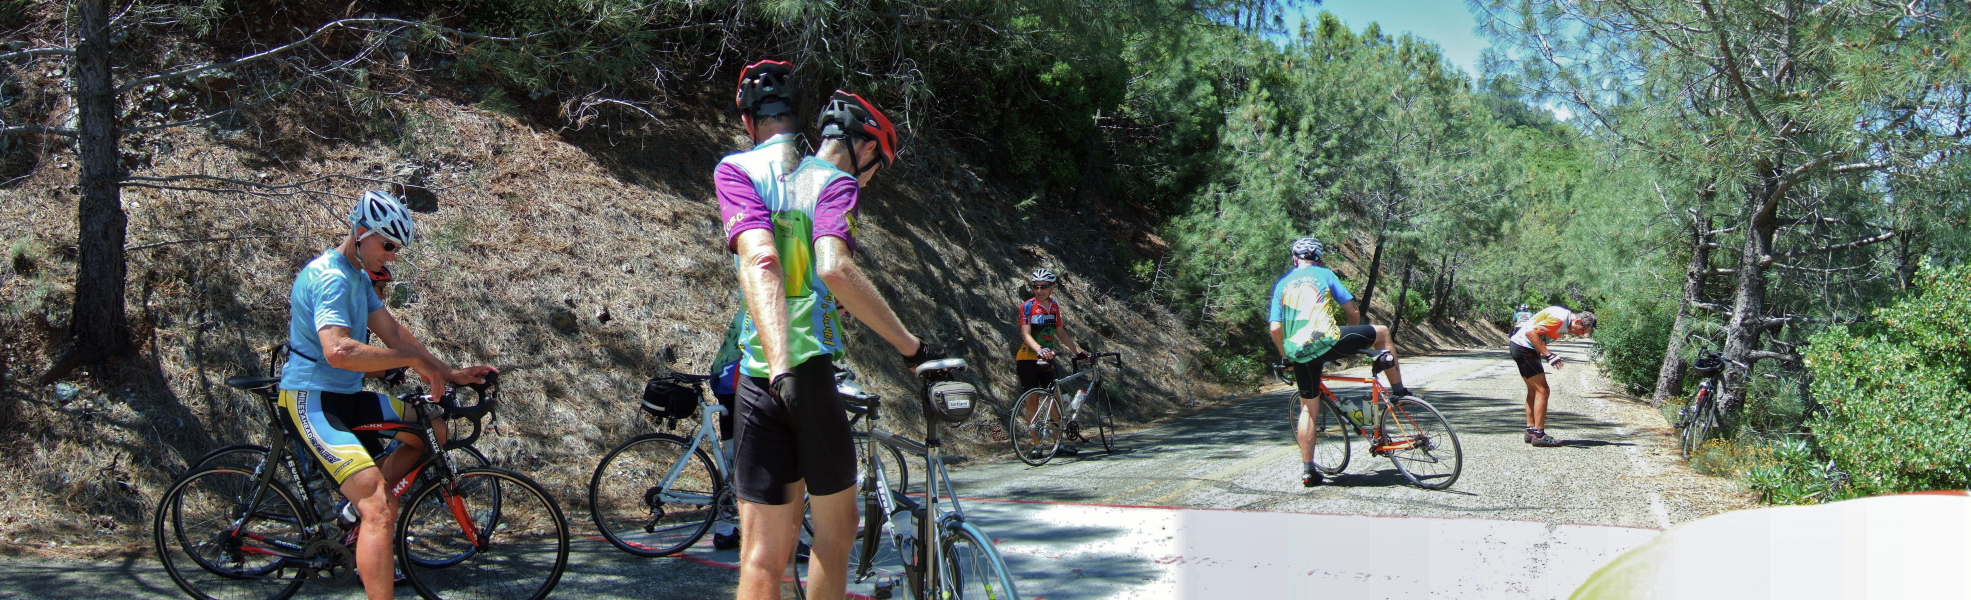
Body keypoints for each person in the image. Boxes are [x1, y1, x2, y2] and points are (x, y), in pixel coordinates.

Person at [720, 89, 942, 600]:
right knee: (837, 533)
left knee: (760, 558)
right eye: (875, 165)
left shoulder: (748, 171)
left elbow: (766, 264)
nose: (869, 176)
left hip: (756, 378)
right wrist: (911, 348)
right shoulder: (836, 183)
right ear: (865, 149)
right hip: (812, 378)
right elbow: (834, 267)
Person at [277, 190, 495, 600]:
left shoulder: (358, 278)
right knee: (378, 506)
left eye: (399, 248)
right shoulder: (332, 277)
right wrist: (409, 362)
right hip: (311, 398)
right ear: (361, 233)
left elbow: (394, 334)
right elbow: (338, 350)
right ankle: (368, 512)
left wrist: (448, 372)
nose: (393, 255)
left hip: (345, 396)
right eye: (388, 244)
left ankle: (353, 512)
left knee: (432, 426)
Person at [707, 59, 801, 553]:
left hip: (752, 350)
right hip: (812, 347)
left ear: (746, 120)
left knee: (743, 438)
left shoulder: (737, 169)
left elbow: (760, 260)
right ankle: (748, 522)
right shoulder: (820, 174)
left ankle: (740, 522)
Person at [1268, 237, 1416, 487]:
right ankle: (1399, 391)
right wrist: (1354, 344)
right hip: (1329, 341)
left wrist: (1287, 357)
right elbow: (1353, 311)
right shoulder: (1324, 274)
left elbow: (1275, 328)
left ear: (1295, 259)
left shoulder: (1282, 284)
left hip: (1300, 352)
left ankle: (1308, 471)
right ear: (1319, 258)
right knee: (1382, 333)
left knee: (1308, 409)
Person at [1014, 267, 1086, 456]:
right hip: (1028, 360)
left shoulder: (1054, 306)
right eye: (1036, 286)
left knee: (1054, 401)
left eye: (1044, 286)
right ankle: (1037, 445)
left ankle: (1058, 444)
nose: (1039, 290)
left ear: (1052, 287)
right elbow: (1025, 334)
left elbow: (1060, 332)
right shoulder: (1027, 306)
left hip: (1047, 360)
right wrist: (1040, 349)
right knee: (1032, 402)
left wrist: (1078, 351)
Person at [1508, 305, 1596, 447]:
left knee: (1534, 391)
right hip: (1524, 347)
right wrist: (1549, 355)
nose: (1579, 334)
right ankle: (1539, 435)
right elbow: (1531, 333)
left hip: (1522, 347)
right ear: (1578, 321)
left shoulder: (1564, 318)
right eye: (1581, 331)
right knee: (1543, 391)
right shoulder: (1560, 319)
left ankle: (1531, 431)